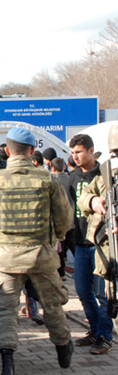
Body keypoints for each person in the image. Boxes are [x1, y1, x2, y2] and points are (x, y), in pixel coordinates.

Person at [0, 127, 74, 373]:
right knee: (52, 305)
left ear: (7, 150)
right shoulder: (47, 179)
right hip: (42, 256)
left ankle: (7, 360)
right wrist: (54, 239)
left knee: (6, 310)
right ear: (31, 151)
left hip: (6, 257)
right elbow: (64, 218)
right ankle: (63, 349)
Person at [68, 134, 114, 353]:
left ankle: (105, 336)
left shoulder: (105, 174)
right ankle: (95, 331)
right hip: (80, 244)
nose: (75, 157)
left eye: (79, 152)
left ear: (90, 150)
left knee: (104, 295)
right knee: (83, 292)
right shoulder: (71, 178)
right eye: (73, 152)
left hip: (102, 246)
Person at [51, 157, 75, 280]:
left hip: (59, 221)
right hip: (72, 220)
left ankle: (61, 274)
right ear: (64, 167)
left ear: (52, 168)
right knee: (74, 246)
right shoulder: (70, 179)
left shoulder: (52, 180)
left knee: (60, 249)